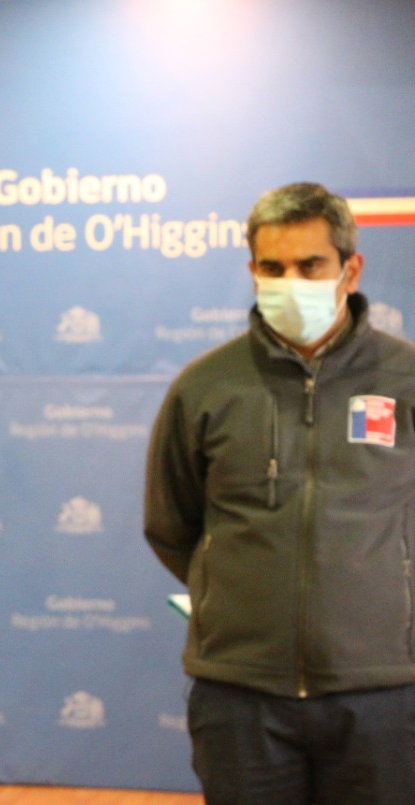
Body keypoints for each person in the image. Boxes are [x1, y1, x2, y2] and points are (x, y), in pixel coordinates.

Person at [144, 181, 415, 804]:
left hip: (383, 693)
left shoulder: (405, 380)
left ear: (350, 270)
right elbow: (172, 525)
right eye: (273, 267)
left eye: (310, 265)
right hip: (241, 696)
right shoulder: (206, 386)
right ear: (252, 271)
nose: (290, 282)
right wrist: (242, 594)